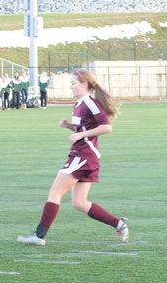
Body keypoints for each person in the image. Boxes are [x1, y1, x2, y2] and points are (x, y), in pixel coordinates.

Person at [18, 68, 129, 246]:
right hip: (85, 155)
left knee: (55, 192)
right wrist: (69, 126)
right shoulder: (78, 104)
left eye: (74, 83)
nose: (71, 87)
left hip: (84, 155)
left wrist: (80, 135)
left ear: (84, 84)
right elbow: (84, 128)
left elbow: (106, 127)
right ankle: (118, 223)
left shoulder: (90, 102)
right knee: (79, 203)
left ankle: (39, 236)